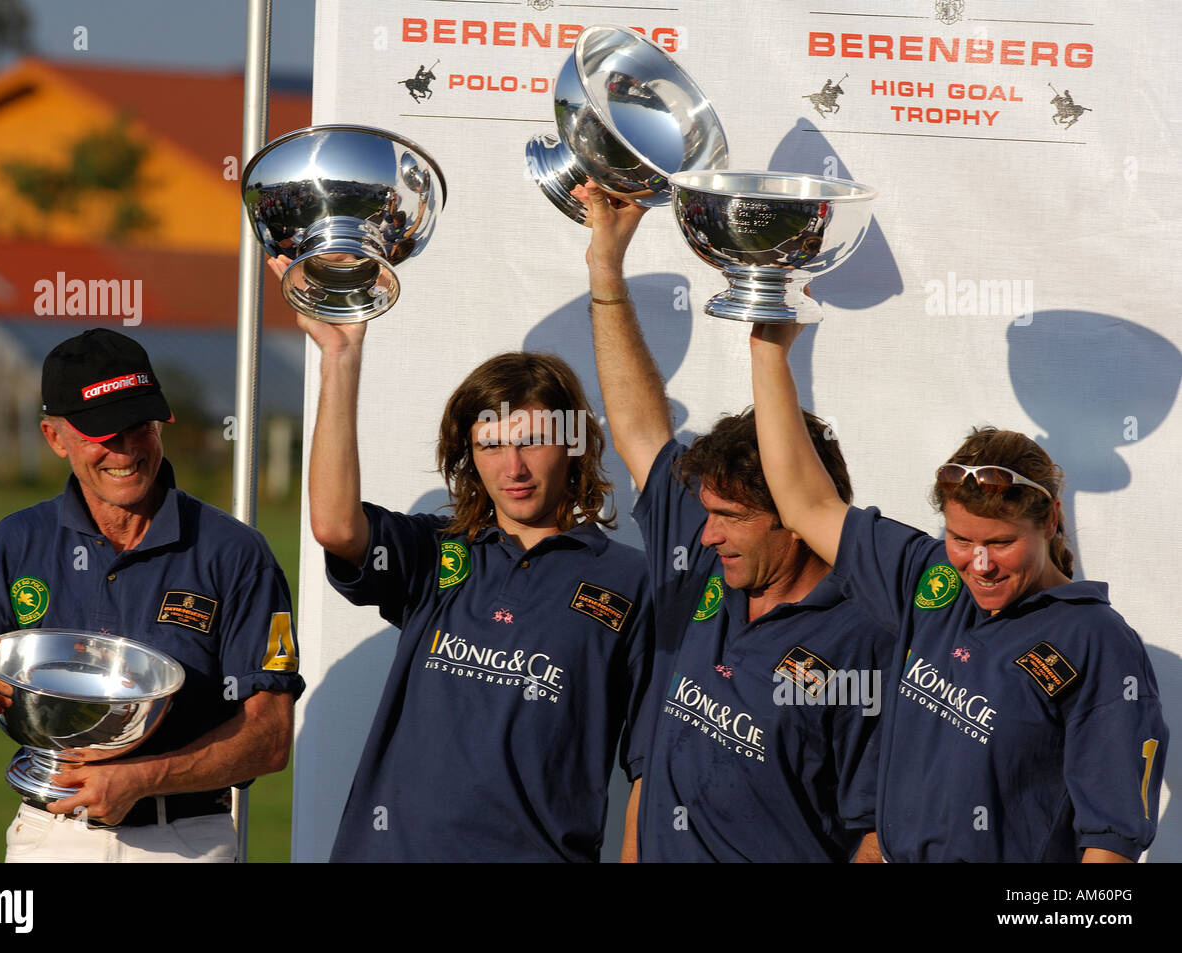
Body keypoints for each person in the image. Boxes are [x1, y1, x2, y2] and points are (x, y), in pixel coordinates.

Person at [276, 255, 653, 861]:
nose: (514, 468)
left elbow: (652, 767)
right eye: (492, 445)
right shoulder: (438, 551)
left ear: (574, 445)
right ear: (468, 455)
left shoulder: (633, 582)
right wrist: (339, 357)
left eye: (532, 441)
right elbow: (335, 525)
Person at [748, 320, 1169, 861]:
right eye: (961, 538)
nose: (980, 564)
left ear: (1052, 522)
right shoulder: (931, 583)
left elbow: (1110, 840)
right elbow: (805, 504)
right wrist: (768, 353)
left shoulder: (1096, 640)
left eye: (1001, 542)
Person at [575, 181, 893, 862]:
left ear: (797, 518)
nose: (707, 533)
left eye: (731, 517)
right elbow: (636, 427)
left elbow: (876, 831)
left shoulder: (867, 636)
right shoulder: (705, 561)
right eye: (708, 514)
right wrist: (606, 269)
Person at [0, 327, 303, 863]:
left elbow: (271, 738)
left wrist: (140, 780)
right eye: (104, 432)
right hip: (49, 836)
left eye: (139, 426)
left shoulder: (236, 552)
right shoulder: (17, 542)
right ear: (55, 438)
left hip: (185, 840)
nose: (125, 451)